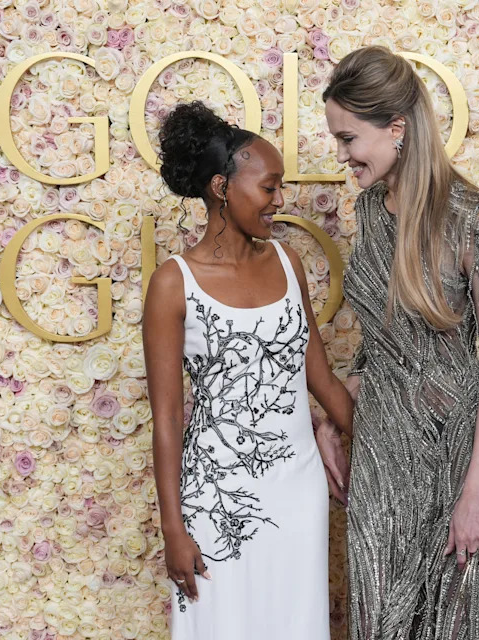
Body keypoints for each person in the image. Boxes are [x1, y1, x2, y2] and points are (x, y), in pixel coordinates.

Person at [322, 46, 479, 639]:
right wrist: (333, 419)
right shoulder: (371, 212)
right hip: (382, 455)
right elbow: (384, 343)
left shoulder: (473, 216)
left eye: (349, 138)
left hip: (457, 458)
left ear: (397, 128)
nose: (344, 155)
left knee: (453, 624)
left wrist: (477, 494)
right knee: (378, 621)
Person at [142, 101, 353, 640]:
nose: (279, 202)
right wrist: (174, 528)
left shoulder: (288, 263)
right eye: (269, 187)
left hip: (298, 491)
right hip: (214, 498)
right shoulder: (174, 282)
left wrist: (391, 450)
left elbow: (321, 379)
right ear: (220, 187)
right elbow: (166, 419)